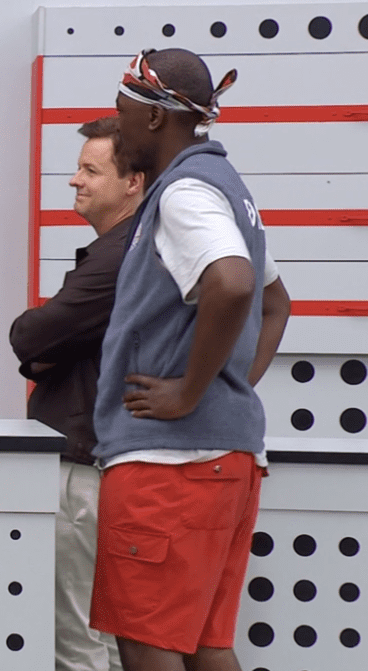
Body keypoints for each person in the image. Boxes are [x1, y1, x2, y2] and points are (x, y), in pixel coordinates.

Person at [89, 48, 291, 671]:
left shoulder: (184, 193)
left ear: (155, 118)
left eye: (122, 111)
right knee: (205, 645)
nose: (117, 126)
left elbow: (234, 283)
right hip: (221, 461)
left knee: (147, 642)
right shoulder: (225, 187)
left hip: (168, 466)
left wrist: (190, 393)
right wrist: (228, 386)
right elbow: (275, 302)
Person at [10, 115, 141, 671]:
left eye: (91, 170)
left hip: (85, 471)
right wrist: (48, 345)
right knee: (111, 643)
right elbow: (44, 344)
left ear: (132, 182)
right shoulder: (130, 250)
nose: (75, 179)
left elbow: (29, 336)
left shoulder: (116, 256)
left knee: (77, 645)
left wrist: (45, 346)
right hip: (106, 466)